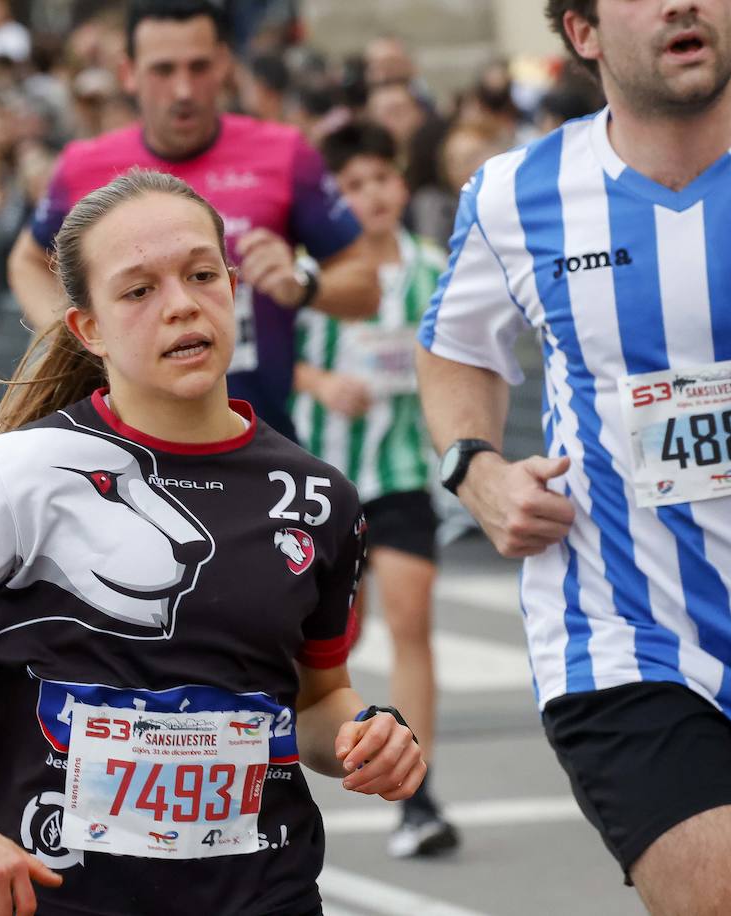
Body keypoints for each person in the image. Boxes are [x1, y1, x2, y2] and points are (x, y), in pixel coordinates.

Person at [0, 169, 425, 916]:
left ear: (233, 288)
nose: (181, 305)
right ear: (91, 328)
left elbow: (315, 702)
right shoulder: (21, 472)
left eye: (202, 275)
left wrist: (368, 739)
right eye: (139, 291)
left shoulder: (318, 496)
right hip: (58, 897)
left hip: (263, 897)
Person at [418, 1, 731, 911]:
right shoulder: (516, 194)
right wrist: (475, 468)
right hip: (628, 638)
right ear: (583, 33)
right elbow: (456, 350)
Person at [7, 0, 379, 441]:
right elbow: (27, 261)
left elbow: (366, 286)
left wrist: (302, 284)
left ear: (224, 65)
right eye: (163, 71)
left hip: (254, 439)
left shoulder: (285, 154)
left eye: (198, 67)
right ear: (129, 73)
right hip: (119, 444)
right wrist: (82, 338)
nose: (183, 90)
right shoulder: (82, 165)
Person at [293, 121, 458, 859]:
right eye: (353, 186)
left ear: (401, 184)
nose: (372, 196)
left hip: (399, 479)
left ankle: (415, 794)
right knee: (320, 646)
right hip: (320, 484)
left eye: (382, 179)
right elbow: (259, 360)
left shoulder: (434, 266)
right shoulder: (311, 272)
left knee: (413, 617)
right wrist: (320, 381)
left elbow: (462, 353)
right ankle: (307, 758)